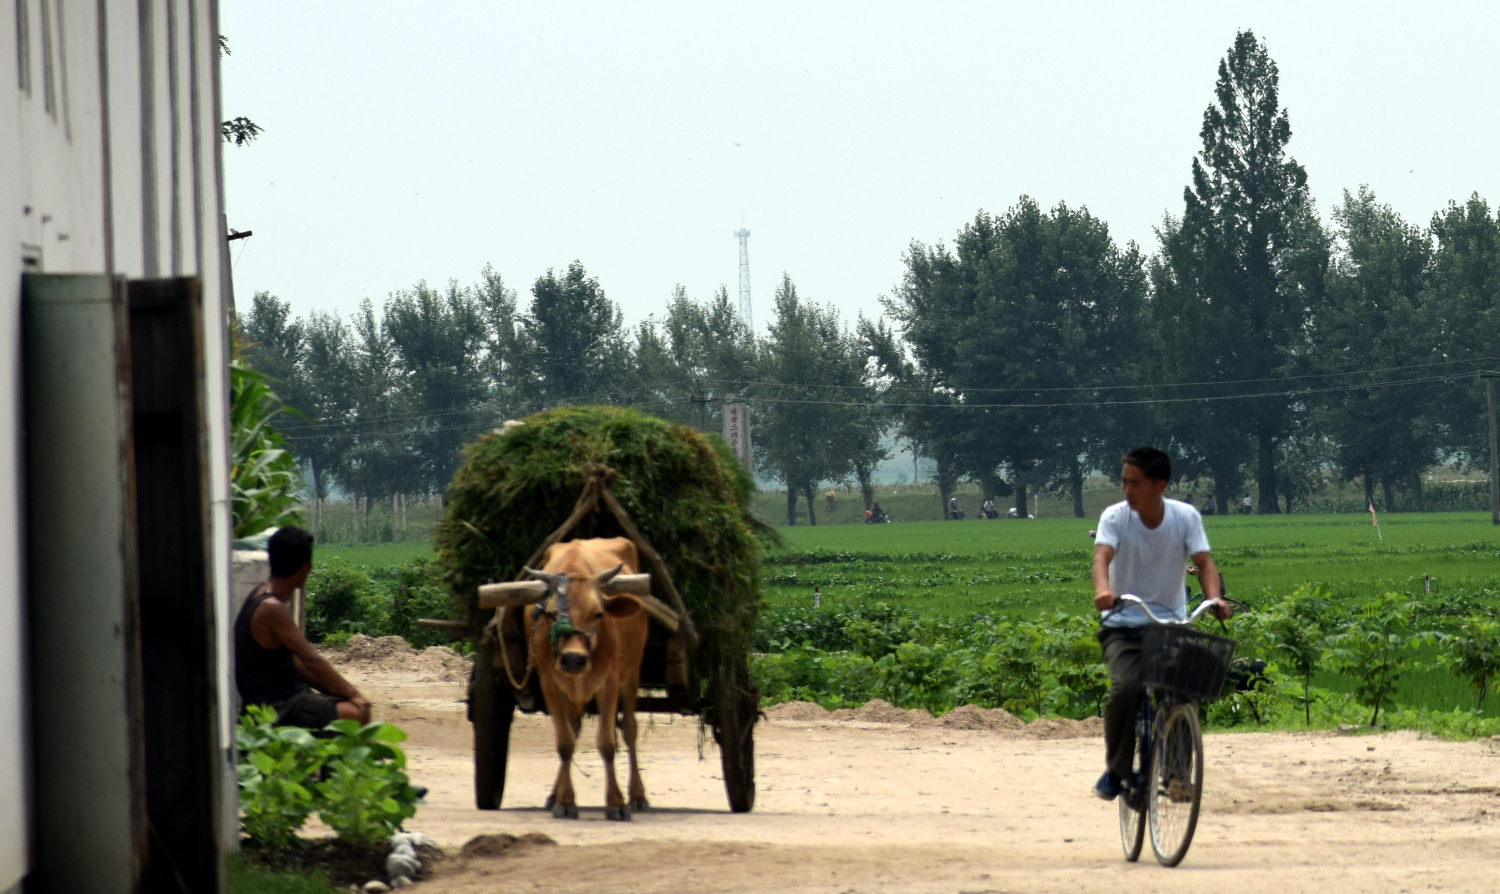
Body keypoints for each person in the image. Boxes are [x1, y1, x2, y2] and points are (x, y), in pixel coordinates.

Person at [1090, 447, 1227, 802]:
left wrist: (1214, 598)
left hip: (1172, 625)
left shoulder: (1185, 517)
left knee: (1183, 691)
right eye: (1124, 482)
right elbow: (1102, 557)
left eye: (1135, 483)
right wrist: (1103, 591)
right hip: (1123, 624)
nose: (1127, 490)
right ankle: (1117, 770)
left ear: (1159, 485)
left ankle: (1179, 775)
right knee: (1128, 689)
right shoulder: (1116, 518)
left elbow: (1206, 564)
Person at [235, 526, 372, 729]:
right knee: (355, 714)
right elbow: (311, 659)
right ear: (305, 568)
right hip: (279, 707)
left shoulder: (258, 595)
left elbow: (298, 663)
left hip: (281, 698)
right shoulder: (273, 608)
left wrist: (332, 690)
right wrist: (354, 695)